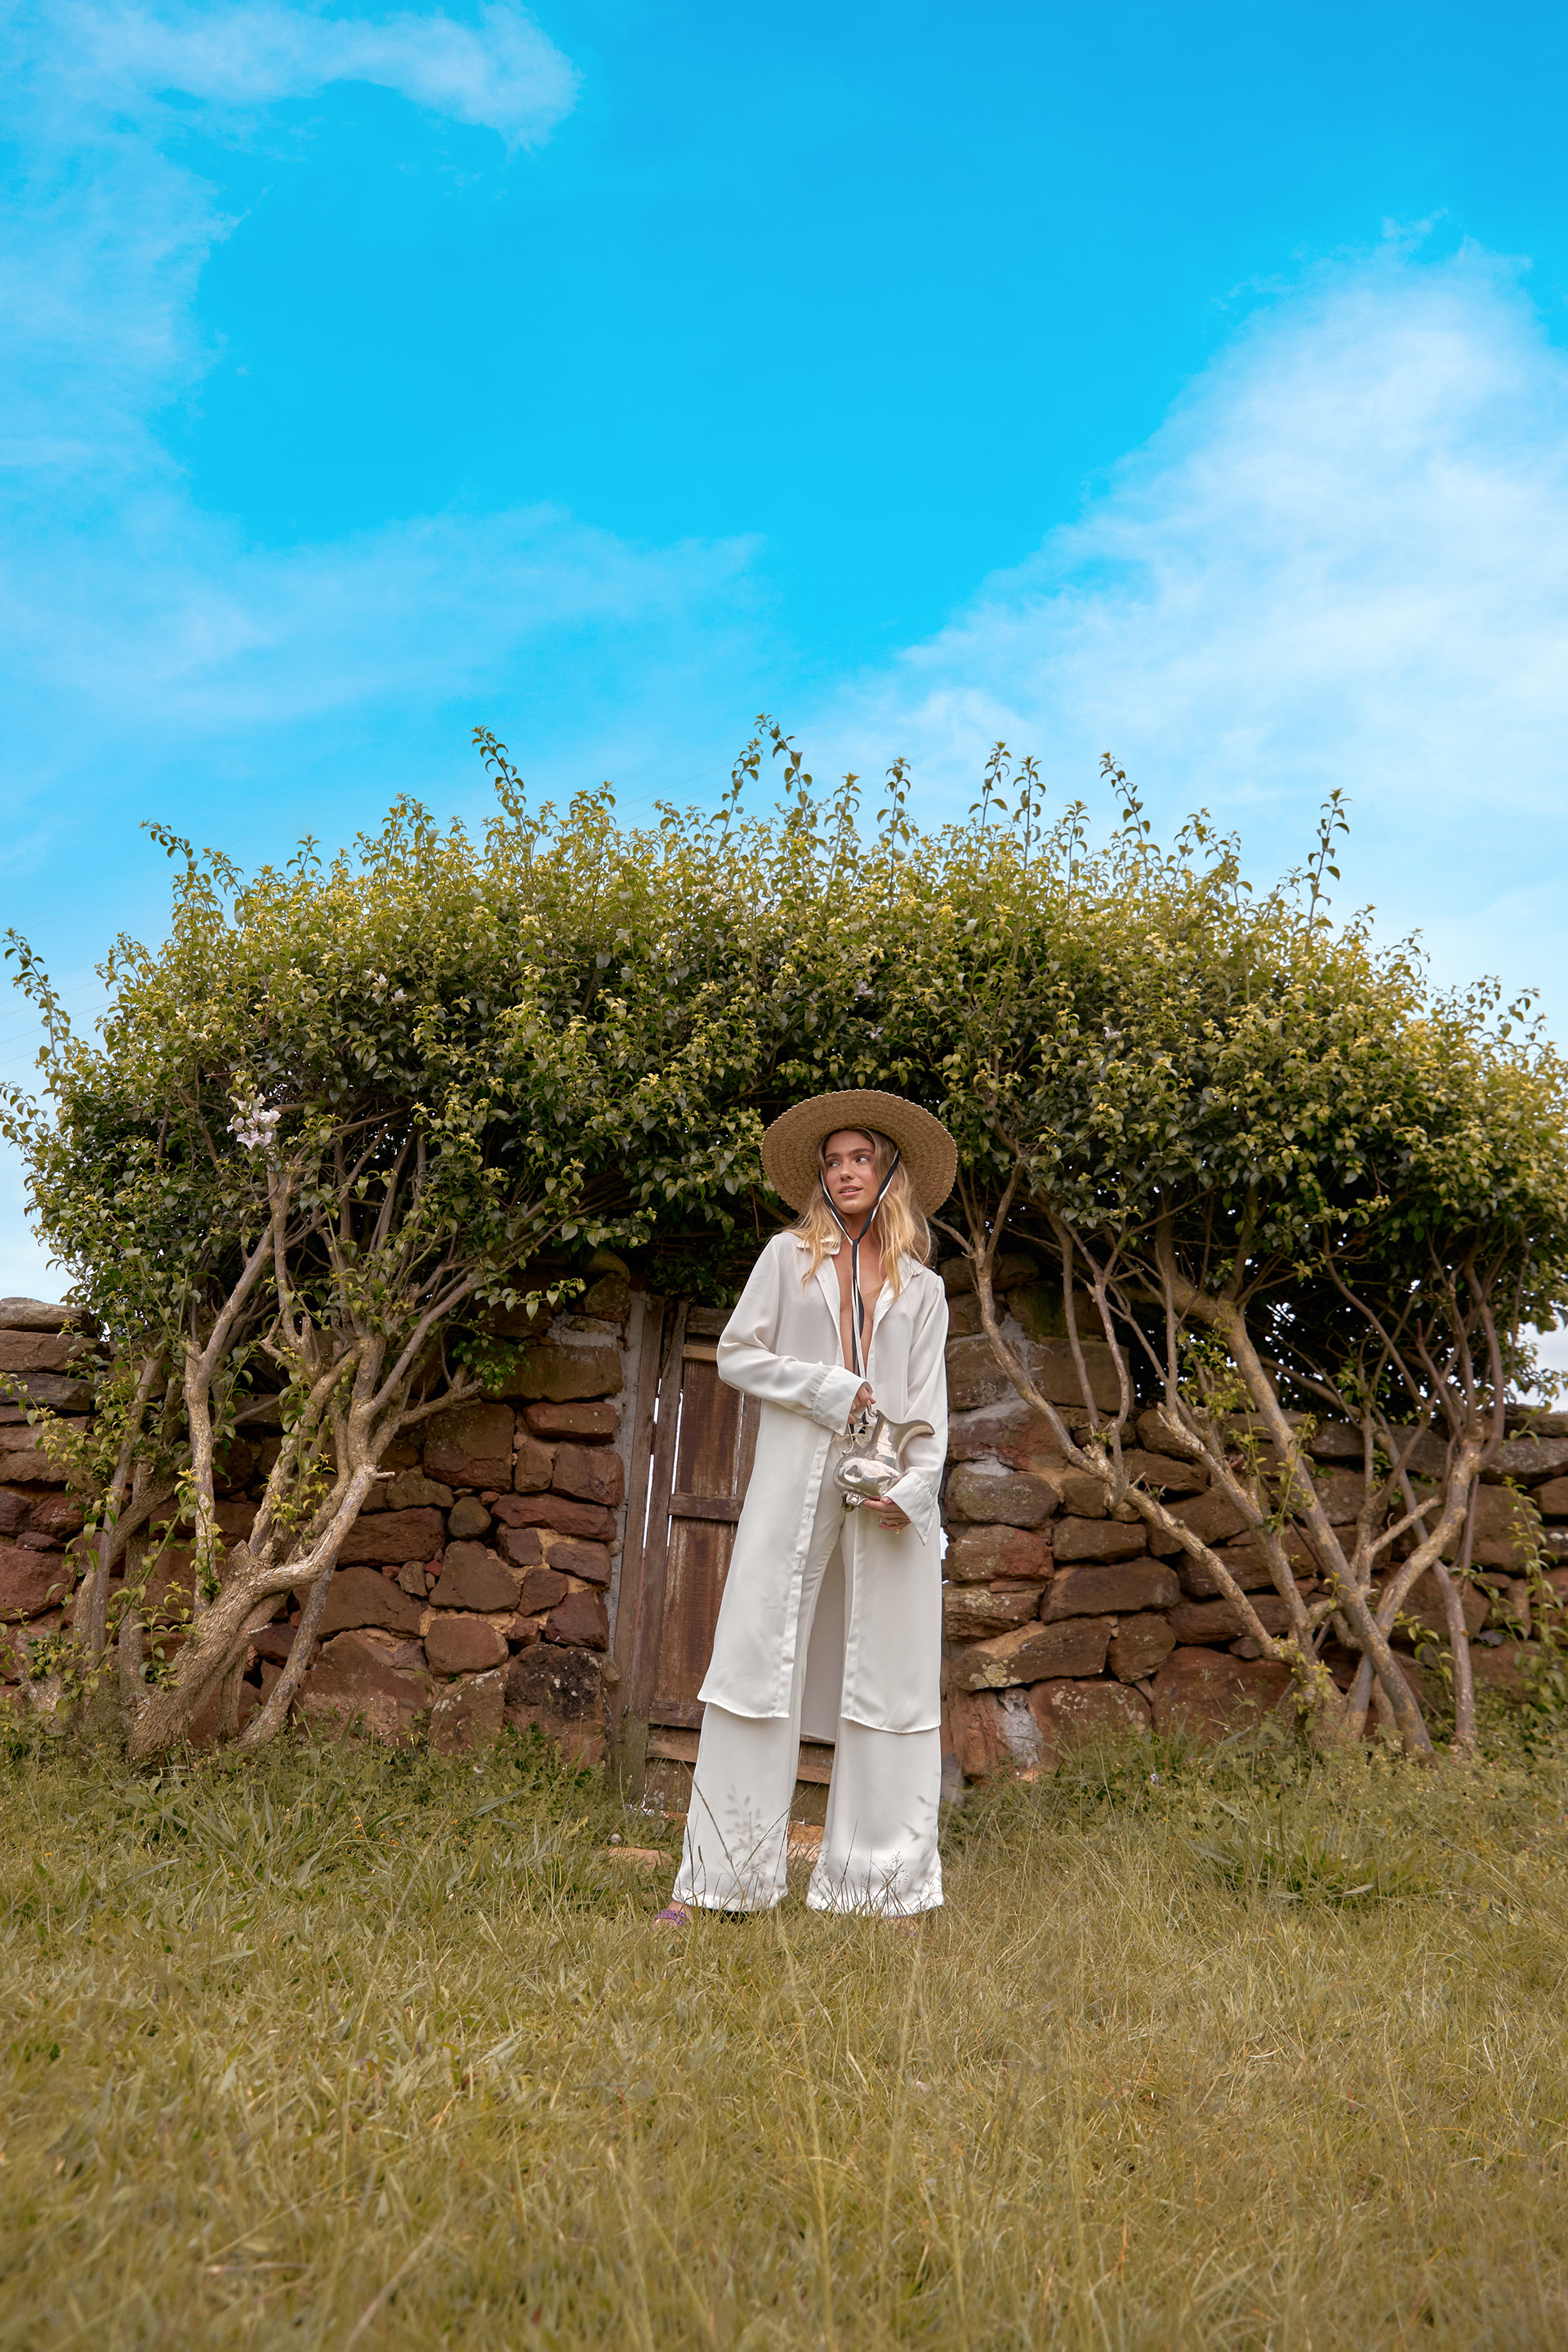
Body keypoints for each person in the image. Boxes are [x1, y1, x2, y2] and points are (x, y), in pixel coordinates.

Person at [658, 1088, 955, 1924]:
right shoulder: (788, 1259)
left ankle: (883, 1890)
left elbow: (929, 1404)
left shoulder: (926, 1290)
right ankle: (717, 1884)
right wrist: (826, 1387)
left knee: (892, 1677)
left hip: (888, 1490)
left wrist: (915, 1491)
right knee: (755, 1663)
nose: (845, 1172)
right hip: (793, 1481)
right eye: (833, 1162)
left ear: (890, 1172)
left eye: (861, 1158)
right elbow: (737, 1355)